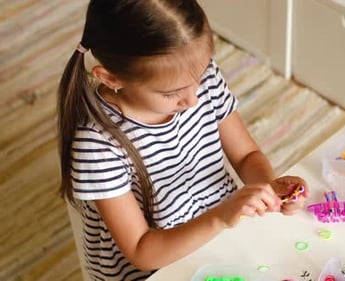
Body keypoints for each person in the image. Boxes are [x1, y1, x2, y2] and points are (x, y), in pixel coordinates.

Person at [57, 1, 309, 280]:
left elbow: (247, 155)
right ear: (112, 78)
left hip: (221, 239)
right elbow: (142, 252)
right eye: (171, 93)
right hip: (156, 269)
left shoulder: (200, 80)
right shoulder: (97, 144)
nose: (193, 100)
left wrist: (268, 188)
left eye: (199, 78)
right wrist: (220, 216)